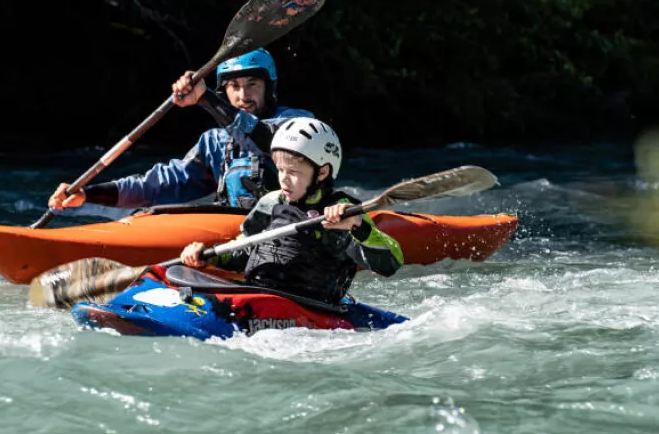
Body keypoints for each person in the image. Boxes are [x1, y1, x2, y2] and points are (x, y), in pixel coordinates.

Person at [48, 48, 313, 211]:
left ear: (270, 88)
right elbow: (157, 185)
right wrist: (89, 194)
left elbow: (268, 140)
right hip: (238, 237)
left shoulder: (297, 123)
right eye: (234, 86)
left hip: (287, 232)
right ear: (225, 91)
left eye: (252, 84)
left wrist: (206, 99)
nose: (243, 95)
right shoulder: (214, 143)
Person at [179, 117, 404, 305]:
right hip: (258, 297)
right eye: (280, 170)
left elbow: (390, 263)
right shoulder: (272, 202)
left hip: (309, 309)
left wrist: (358, 226)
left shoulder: (345, 212)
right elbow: (244, 250)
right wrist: (210, 257)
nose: (284, 179)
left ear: (322, 173)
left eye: (294, 172)